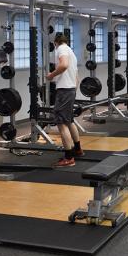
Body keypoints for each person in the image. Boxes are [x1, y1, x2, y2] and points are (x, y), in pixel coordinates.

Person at [45, 33, 82, 167]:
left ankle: (69, 158)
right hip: (70, 89)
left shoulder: (61, 49)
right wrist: (73, 91)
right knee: (69, 120)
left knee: (61, 123)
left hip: (65, 90)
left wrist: (51, 75)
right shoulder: (71, 51)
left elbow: (64, 65)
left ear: (55, 42)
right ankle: (77, 149)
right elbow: (77, 76)